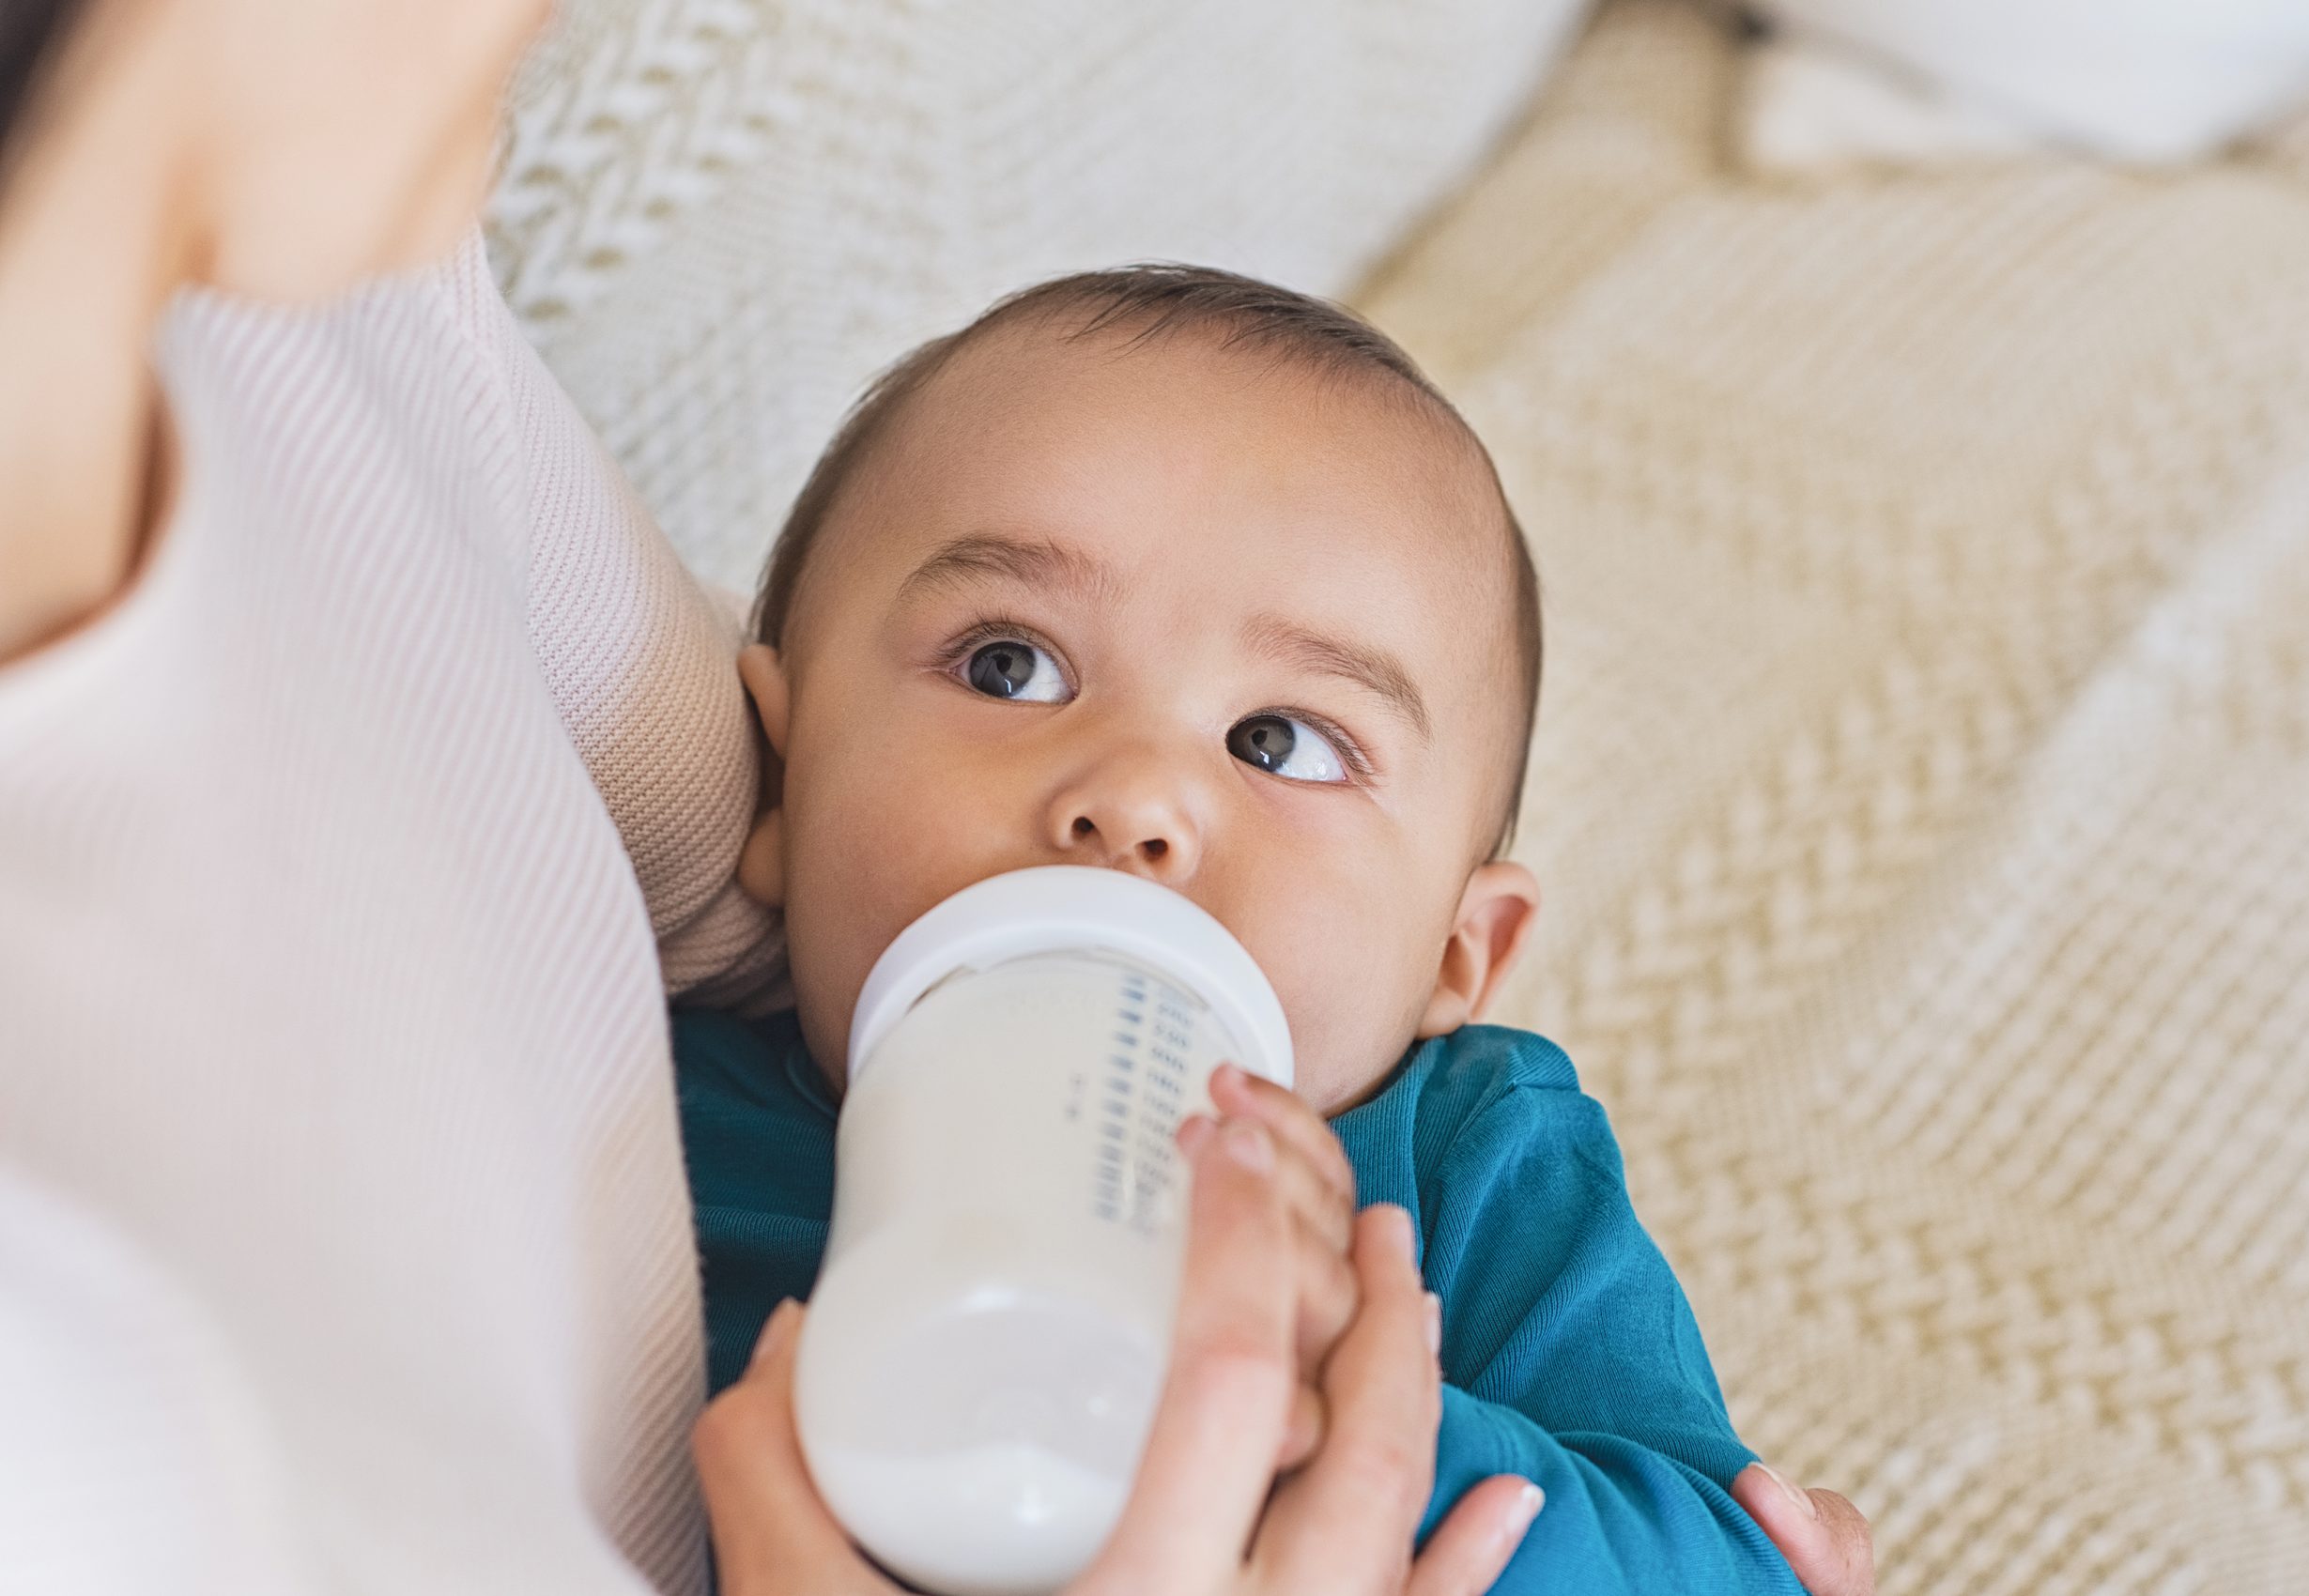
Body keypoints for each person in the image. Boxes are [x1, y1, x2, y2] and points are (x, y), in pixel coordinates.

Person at [0, 2, 1872, 1593]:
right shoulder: (686, 1118)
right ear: (779, 787)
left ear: (1466, 947)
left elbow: (1730, 1543)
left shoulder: (1457, 1164)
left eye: (1286, 740)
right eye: (1006, 666)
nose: (1131, 798)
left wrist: (1359, 1414)